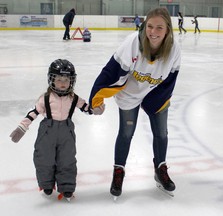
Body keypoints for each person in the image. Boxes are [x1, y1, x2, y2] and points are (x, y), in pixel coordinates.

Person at [89, 7, 181, 198]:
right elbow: (110, 72)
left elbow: (169, 81)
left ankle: (160, 169)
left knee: (161, 134)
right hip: (129, 95)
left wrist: (155, 102)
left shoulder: (174, 51)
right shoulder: (132, 43)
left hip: (155, 93)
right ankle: (119, 171)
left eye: (159, 28)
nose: (153, 32)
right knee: (126, 133)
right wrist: (96, 97)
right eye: (150, 26)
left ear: (167, 31)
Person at [10, 59, 93, 201]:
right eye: (59, 79)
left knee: (67, 159)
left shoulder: (74, 98)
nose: (63, 83)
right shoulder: (46, 98)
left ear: (72, 81)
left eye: (67, 79)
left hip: (67, 132)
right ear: (51, 80)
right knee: (44, 158)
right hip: (47, 131)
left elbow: (86, 107)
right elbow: (33, 113)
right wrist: (22, 127)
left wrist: (95, 109)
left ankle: (67, 187)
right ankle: (46, 184)